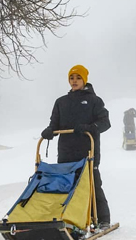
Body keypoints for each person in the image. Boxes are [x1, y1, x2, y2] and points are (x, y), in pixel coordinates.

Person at [41, 64, 111, 229]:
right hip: (66, 151)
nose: (74, 81)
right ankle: (69, 218)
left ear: (84, 80)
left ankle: (103, 219)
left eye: (78, 78)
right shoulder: (61, 102)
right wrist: (50, 131)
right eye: (72, 78)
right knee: (66, 185)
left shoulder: (94, 100)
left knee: (93, 183)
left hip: (88, 150)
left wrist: (88, 127)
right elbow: (54, 123)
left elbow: (105, 123)